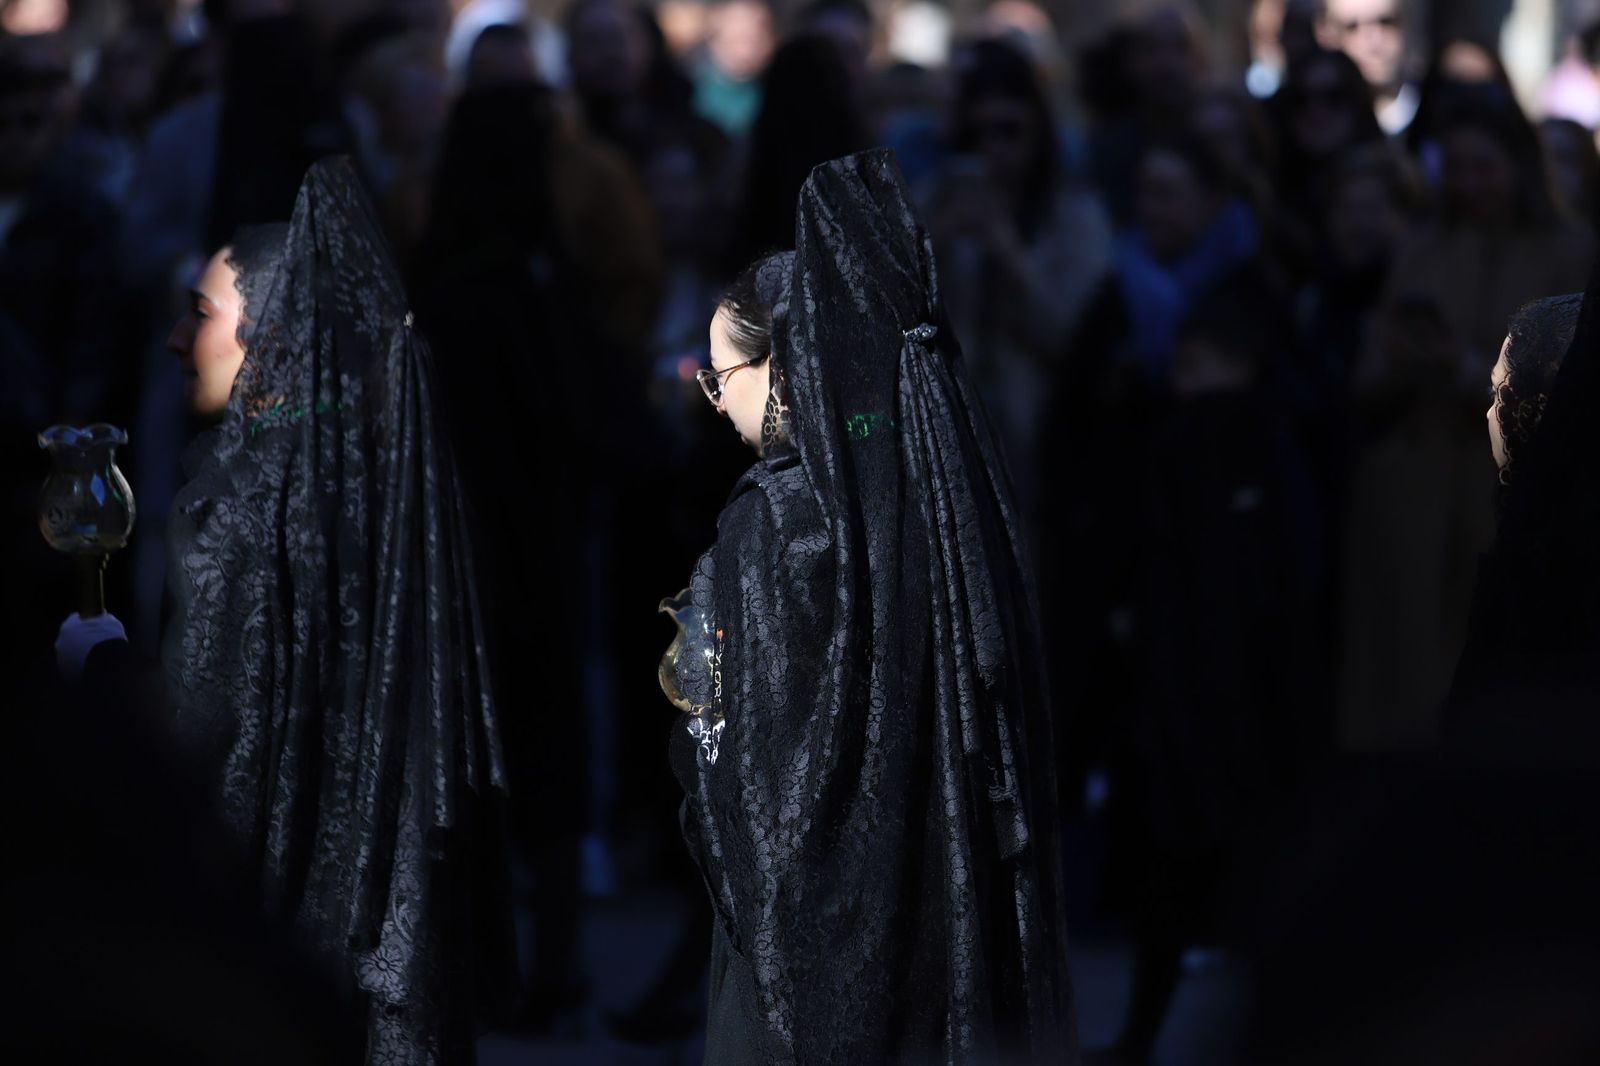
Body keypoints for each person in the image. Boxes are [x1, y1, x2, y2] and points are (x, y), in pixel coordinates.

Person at [661, 150, 1075, 1064]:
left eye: (719, 376)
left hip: (805, 956)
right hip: (943, 917)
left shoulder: (773, 524)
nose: (714, 401)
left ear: (785, 371)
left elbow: (735, 764)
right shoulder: (945, 492)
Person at [161, 158, 511, 1065]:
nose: (177, 340)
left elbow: (201, 737)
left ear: (269, 336)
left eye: (203, 316)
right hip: (394, 916)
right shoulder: (402, 488)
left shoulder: (235, 506)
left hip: (272, 922)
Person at [1316, 0, 1417, 134]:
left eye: (1386, 22)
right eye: (1352, 27)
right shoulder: (1311, 121)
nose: (1374, 43)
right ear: (1326, 37)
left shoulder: (1435, 105)